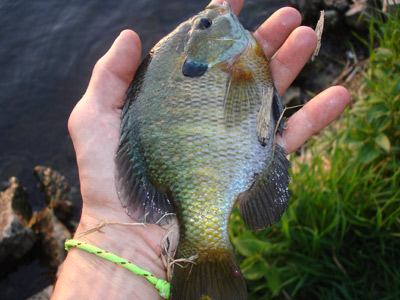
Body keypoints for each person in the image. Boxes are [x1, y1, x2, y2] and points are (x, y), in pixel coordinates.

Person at [52, 1, 350, 299]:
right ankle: (208, 249)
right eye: (205, 25)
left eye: (204, 24)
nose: (212, 17)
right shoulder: (239, 63)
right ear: (197, 50)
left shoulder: (219, 62)